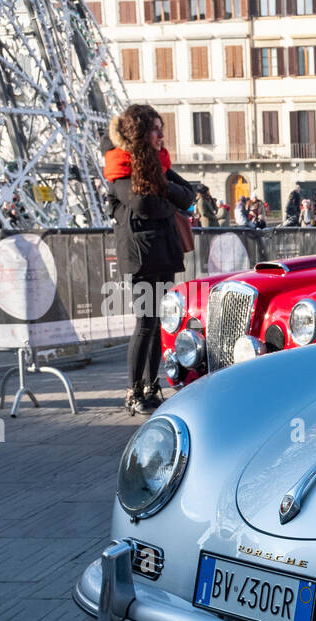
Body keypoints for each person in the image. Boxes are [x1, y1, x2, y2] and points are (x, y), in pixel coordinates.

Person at [101, 104, 193, 415]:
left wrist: (163, 192)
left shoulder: (158, 163)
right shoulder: (120, 164)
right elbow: (142, 205)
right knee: (144, 323)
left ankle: (152, 386)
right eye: (155, 129)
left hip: (164, 251)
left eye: (161, 127)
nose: (161, 134)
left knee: (157, 323)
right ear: (140, 133)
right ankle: (133, 390)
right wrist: (168, 200)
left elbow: (188, 194)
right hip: (140, 255)